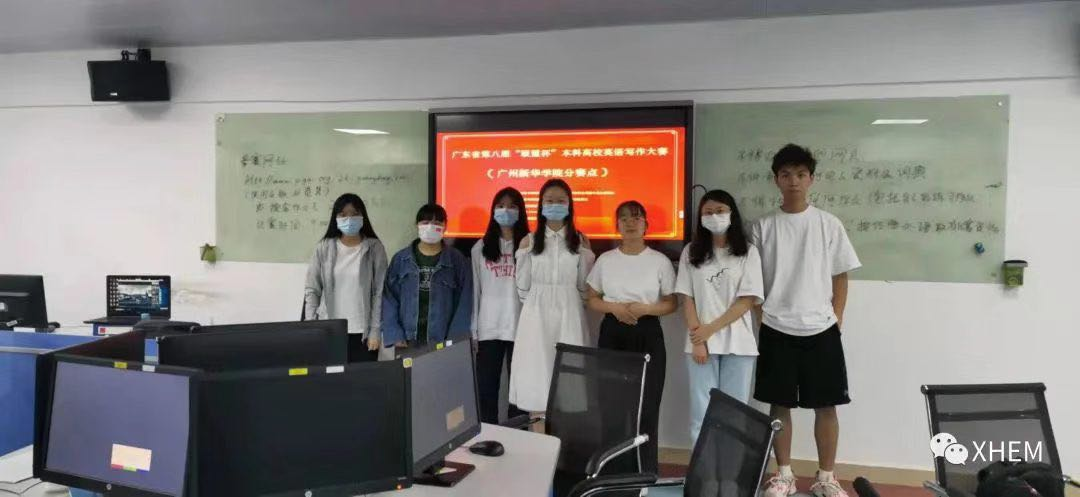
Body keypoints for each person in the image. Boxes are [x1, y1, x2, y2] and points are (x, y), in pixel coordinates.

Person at [752, 144, 861, 497]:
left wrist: (837, 318)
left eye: (800, 174)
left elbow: (840, 275)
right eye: (786, 174)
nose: (794, 181)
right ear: (776, 180)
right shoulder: (763, 227)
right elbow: (752, 281)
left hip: (822, 329)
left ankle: (826, 478)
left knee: (826, 406)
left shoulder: (828, 224)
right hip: (776, 328)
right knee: (779, 404)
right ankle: (784, 475)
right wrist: (762, 317)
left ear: (811, 179)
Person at [585, 200, 676, 475]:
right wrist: (615, 308)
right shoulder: (605, 260)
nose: (630, 223)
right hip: (613, 332)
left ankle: (645, 472)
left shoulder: (659, 261)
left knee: (647, 407)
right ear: (617, 225)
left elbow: (671, 303)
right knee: (611, 406)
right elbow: (592, 299)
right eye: (624, 218)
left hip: (647, 332)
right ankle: (611, 471)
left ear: (646, 224)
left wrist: (645, 309)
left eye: (636, 217)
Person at [674, 189, 763, 446]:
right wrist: (698, 339)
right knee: (701, 412)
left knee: (734, 412)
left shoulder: (748, 252)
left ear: (731, 213)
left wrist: (709, 329)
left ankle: (730, 467)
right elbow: (686, 298)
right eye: (708, 212)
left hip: (738, 344)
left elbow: (747, 300)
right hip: (699, 344)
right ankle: (704, 468)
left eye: (720, 211)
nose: (714, 216)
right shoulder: (691, 252)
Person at [509, 179, 595, 415]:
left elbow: (584, 286)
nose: (554, 205)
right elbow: (522, 288)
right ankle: (538, 433)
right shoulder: (529, 240)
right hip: (536, 314)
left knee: (570, 375)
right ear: (540, 204)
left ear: (569, 204)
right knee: (537, 374)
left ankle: (562, 435)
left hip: (570, 312)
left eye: (560, 201)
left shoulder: (580, 241)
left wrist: (569, 301)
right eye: (549, 200)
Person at [304, 193, 388, 362]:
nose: (349, 219)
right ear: (335, 218)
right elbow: (312, 290)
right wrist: (311, 327)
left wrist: (375, 330)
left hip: (363, 332)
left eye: (355, 214)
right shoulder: (324, 247)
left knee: (361, 376)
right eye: (343, 214)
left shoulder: (374, 248)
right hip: (329, 330)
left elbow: (380, 292)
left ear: (363, 217)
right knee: (331, 377)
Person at [471, 187, 531, 424]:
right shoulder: (480, 248)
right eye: (501, 206)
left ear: (521, 211)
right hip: (489, 328)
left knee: (519, 392)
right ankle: (488, 435)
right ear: (493, 210)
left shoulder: (530, 245)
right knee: (486, 390)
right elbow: (476, 290)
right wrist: (474, 330)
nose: (506, 211)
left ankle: (519, 437)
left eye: (513, 206)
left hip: (522, 327)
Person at [381, 203, 472, 350]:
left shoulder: (457, 260)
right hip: (406, 340)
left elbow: (465, 303)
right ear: (417, 225)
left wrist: (455, 340)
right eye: (425, 222)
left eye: (437, 223)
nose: (431, 227)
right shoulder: (401, 259)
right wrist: (395, 334)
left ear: (445, 226)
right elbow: (389, 299)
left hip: (443, 341)